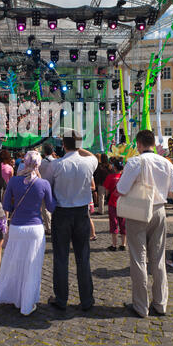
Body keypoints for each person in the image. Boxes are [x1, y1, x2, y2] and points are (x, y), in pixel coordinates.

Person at [117, 130, 173, 318]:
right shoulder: (166, 163)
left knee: (138, 258)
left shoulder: (135, 161)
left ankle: (141, 306)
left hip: (138, 210)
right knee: (158, 258)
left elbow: (121, 189)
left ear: (139, 144)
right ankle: (160, 303)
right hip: (159, 210)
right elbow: (172, 193)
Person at [45, 131, 98, 311]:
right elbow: (92, 156)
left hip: (61, 213)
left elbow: (48, 187)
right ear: (79, 145)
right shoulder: (89, 162)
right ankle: (86, 299)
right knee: (83, 257)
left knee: (60, 257)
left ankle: (61, 298)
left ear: (63, 145)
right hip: (82, 213)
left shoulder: (56, 165)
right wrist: (78, 147)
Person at [0, 151, 55, 316]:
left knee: (15, 264)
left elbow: (7, 205)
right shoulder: (43, 184)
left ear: (25, 162)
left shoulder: (14, 181)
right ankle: (27, 302)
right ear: (38, 164)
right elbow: (51, 207)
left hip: (17, 227)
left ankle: (14, 297)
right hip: (35, 229)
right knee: (32, 267)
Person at [103, 158, 126, 251]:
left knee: (114, 223)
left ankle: (114, 244)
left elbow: (107, 191)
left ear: (114, 168)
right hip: (123, 203)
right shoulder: (125, 178)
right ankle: (123, 244)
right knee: (123, 223)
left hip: (113, 202)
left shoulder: (110, 177)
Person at [39, 143, 55, 234]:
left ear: (44, 152)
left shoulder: (41, 163)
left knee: (45, 208)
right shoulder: (56, 161)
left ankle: (49, 227)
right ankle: (55, 225)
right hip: (54, 186)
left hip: (43, 186)